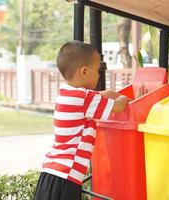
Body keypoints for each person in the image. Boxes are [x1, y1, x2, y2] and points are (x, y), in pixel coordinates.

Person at [35, 41, 129, 200]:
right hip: (66, 176)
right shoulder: (85, 98)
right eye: (97, 70)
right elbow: (119, 106)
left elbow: (101, 95)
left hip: (50, 174)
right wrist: (127, 97)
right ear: (84, 71)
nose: (99, 75)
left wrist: (109, 94)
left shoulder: (67, 94)